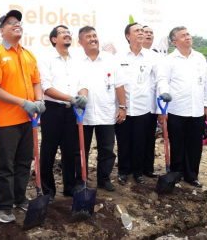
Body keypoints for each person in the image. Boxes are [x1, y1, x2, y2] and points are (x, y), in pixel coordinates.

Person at [0, 9, 45, 223]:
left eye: (18, 21)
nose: (17, 24)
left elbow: (36, 81)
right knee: (6, 165)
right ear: (1, 30)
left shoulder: (28, 54)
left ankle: (20, 198)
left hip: (29, 119)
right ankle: (3, 206)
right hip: (7, 120)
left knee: (24, 162)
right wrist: (23, 102)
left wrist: (39, 101)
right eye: (11, 22)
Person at [38, 25, 88, 203]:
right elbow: (46, 87)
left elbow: (83, 84)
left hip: (72, 111)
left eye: (69, 33)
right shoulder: (46, 59)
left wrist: (82, 97)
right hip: (52, 110)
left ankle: (70, 187)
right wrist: (70, 98)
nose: (68, 35)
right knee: (48, 152)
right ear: (53, 39)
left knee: (70, 151)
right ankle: (48, 191)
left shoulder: (77, 61)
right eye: (63, 33)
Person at [115, 23, 170, 185]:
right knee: (123, 141)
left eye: (142, 31)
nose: (141, 33)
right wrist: (119, 106)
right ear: (128, 36)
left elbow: (161, 79)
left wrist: (164, 94)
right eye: (137, 31)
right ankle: (123, 171)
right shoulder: (118, 57)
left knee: (140, 141)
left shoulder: (153, 57)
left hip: (143, 107)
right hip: (123, 108)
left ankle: (138, 172)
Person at [159, 26, 207, 188]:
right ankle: (176, 172)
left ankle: (191, 175)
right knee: (177, 143)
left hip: (196, 109)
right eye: (183, 36)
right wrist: (164, 108)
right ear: (175, 42)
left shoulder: (199, 58)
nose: (188, 37)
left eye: (188, 34)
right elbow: (162, 82)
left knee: (195, 145)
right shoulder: (169, 60)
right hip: (176, 109)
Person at [78, 26, 127, 191]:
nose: (93, 39)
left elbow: (119, 84)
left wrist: (122, 107)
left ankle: (104, 179)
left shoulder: (110, 59)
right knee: (81, 149)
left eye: (94, 35)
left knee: (107, 148)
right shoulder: (75, 61)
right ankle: (81, 180)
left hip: (106, 111)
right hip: (82, 114)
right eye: (88, 36)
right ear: (80, 42)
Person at [142, 25, 166, 178]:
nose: (149, 35)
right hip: (135, 106)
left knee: (149, 138)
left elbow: (161, 82)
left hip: (151, 105)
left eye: (151, 32)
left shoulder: (157, 57)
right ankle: (132, 168)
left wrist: (160, 109)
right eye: (145, 32)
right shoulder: (127, 56)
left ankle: (148, 168)